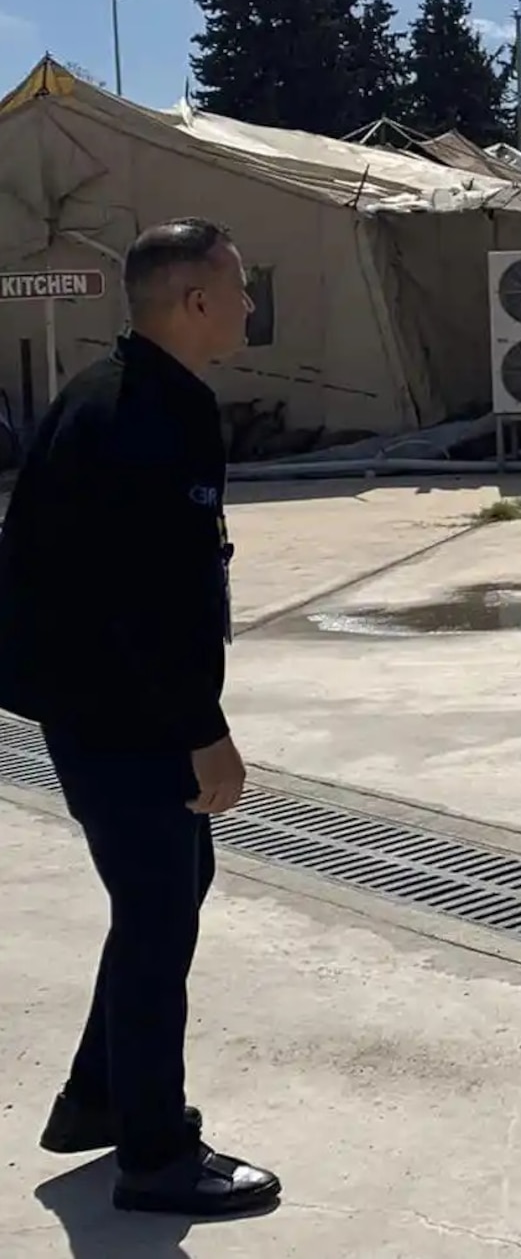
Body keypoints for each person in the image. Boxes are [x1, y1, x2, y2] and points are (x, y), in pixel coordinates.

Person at [0, 219, 281, 1216]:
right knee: (161, 906)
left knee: (170, 883)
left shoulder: (113, 392)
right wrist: (202, 728)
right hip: (120, 707)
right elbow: (144, 596)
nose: (249, 305)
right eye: (238, 287)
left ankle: (99, 1097)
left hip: (96, 697)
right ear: (191, 303)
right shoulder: (147, 414)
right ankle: (155, 1155)